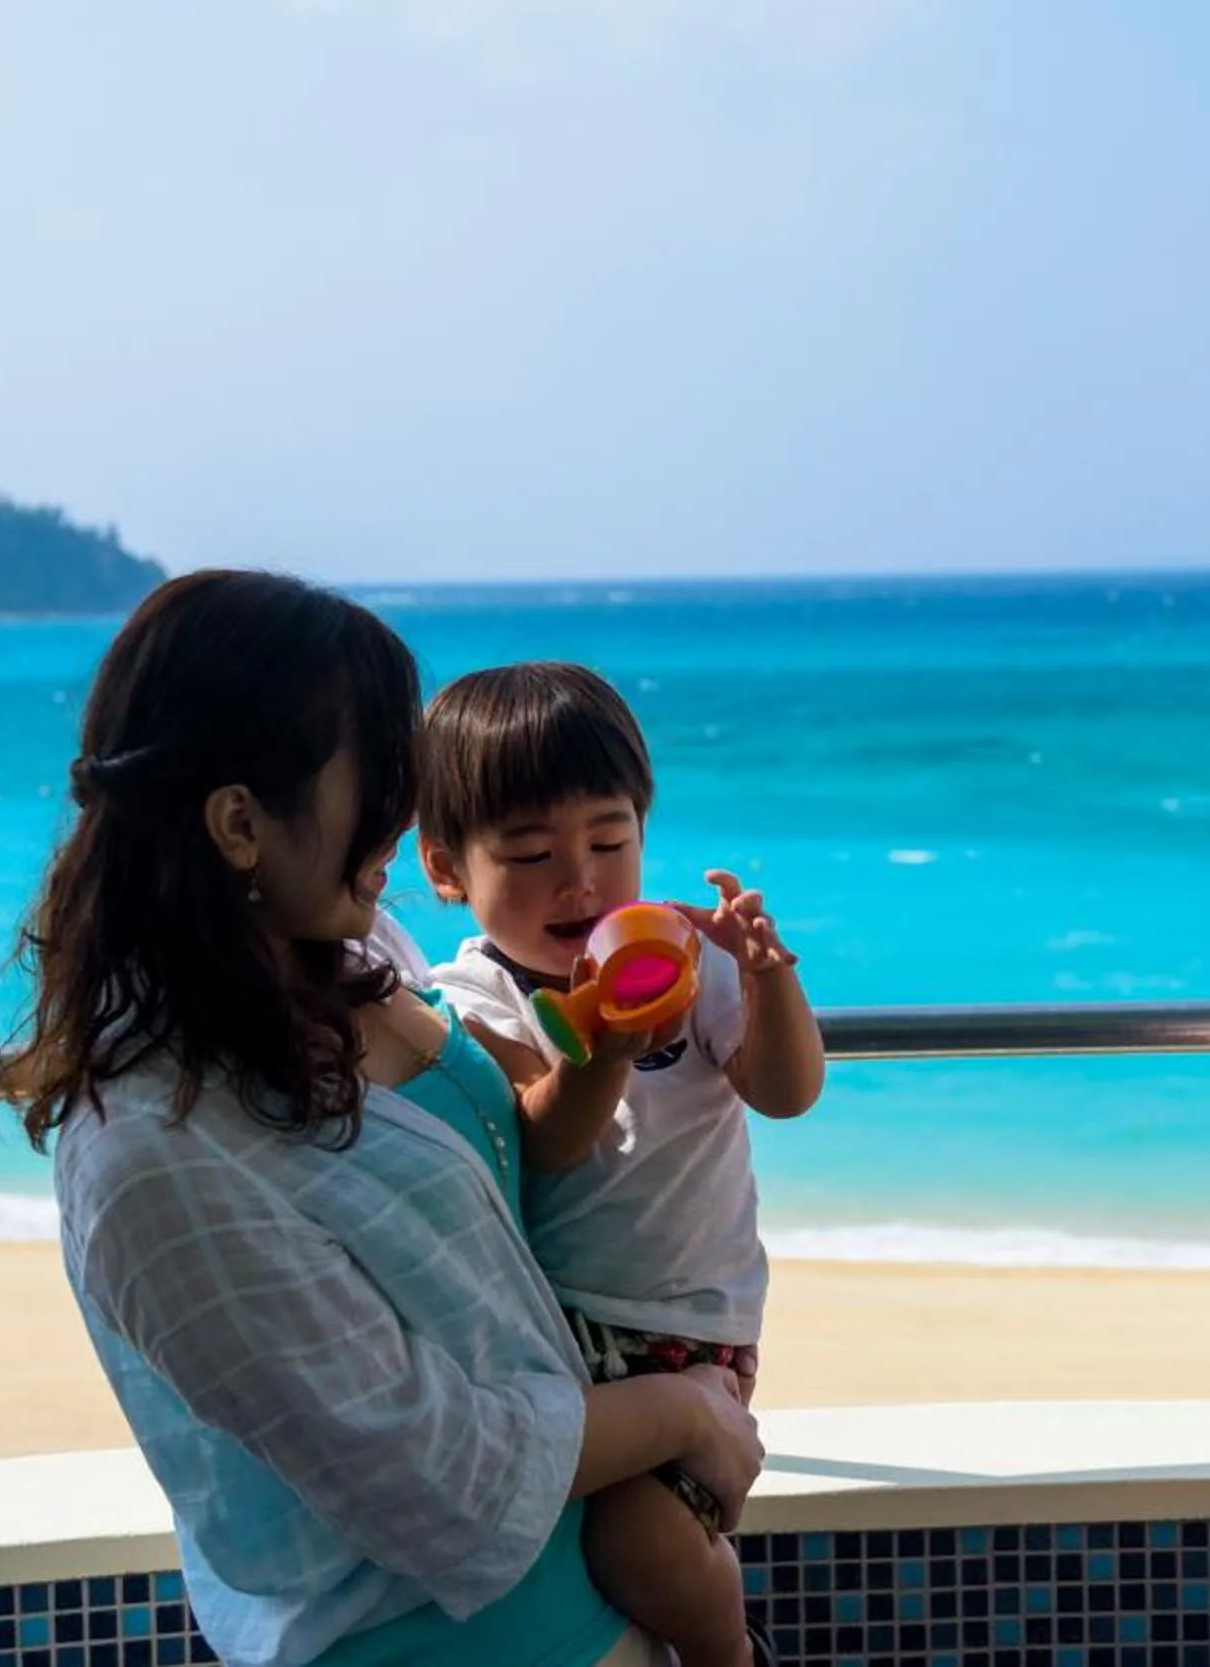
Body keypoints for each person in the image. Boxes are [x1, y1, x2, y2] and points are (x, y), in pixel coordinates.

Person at [8, 571, 759, 1667]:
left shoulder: (354, 955)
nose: (408, 815)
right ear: (239, 823)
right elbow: (441, 1474)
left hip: (593, 1594)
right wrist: (687, 1411)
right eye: (378, 772)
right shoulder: (154, 1159)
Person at [416, 662, 826, 1667]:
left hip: (693, 1328)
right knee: (552, 1544)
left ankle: (731, 1655)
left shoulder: (689, 956)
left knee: (637, 1539)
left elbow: (785, 1091)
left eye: (610, 840)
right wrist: (598, 1049)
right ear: (447, 868)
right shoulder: (470, 999)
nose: (581, 880)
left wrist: (767, 980)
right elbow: (544, 1142)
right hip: (548, 1331)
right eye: (530, 853)